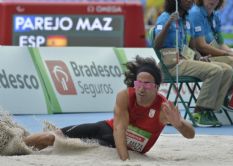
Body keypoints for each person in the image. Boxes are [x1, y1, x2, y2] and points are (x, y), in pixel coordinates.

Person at [1, 56, 195, 160]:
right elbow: (119, 129)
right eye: (138, 83)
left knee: (61, 144)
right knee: (49, 138)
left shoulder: (163, 108)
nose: (142, 89)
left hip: (110, 146)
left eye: (147, 85)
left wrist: (179, 124)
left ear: (157, 87)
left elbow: (190, 134)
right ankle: (10, 142)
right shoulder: (125, 96)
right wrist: (125, 161)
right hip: (104, 129)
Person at [154, 0, 233, 127]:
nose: (191, 1)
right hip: (171, 65)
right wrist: (168, 23)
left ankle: (210, 110)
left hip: (185, 60)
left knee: (227, 69)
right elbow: (156, 44)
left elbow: (193, 48)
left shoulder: (187, 21)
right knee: (215, 70)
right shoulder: (164, 17)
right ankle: (200, 112)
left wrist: (199, 57)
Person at [188, 0, 233, 107]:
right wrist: (228, 55)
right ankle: (216, 101)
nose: (213, 0)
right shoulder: (195, 13)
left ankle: (222, 97)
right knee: (232, 62)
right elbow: (201, 46)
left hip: (212, 55)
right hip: (199, 57)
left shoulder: (215, 15)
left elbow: (220, 43)